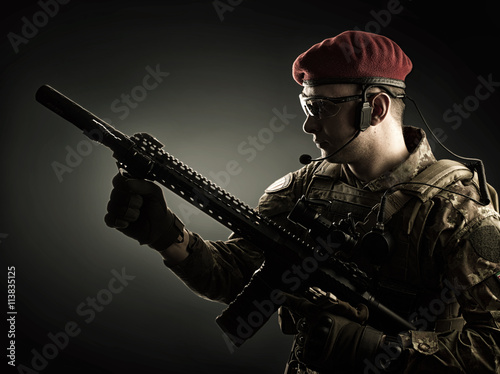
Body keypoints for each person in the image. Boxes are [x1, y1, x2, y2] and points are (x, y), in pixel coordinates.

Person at [104, 30, 500, 373]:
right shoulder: (302, 190)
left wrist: (382, 349)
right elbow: (238, 278)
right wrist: (168, 238)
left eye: (322, 107)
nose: (309, 124)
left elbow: (495, 349)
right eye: (306, 106)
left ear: (375, 108)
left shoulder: (459, 209)